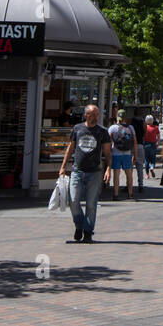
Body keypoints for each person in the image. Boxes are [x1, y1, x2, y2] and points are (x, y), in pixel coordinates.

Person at [59, 104, 112, 242]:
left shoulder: (102, 131)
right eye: (92, 114)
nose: (95, 117)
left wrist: (108, 169)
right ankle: (79, 225)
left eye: (97, 114)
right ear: (85, 115)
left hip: (94, 172)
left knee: (91, 204)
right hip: (77, 170)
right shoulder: (78, 128)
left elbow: (107, 152)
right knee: (74, 201)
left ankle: (88, 232)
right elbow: (70, 149)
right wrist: (63, 166)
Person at [108, 110, 137, 201]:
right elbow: (135, 142)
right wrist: (135, 154)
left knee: (116, 174)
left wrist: (108, 155)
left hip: (116, 154)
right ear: (125, 118)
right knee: (129, 174)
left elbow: (108, 143)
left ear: (117, 117)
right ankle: (130, 194)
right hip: (127, 154)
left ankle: (116, 194)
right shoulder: (131, 128)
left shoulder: (112, 128)